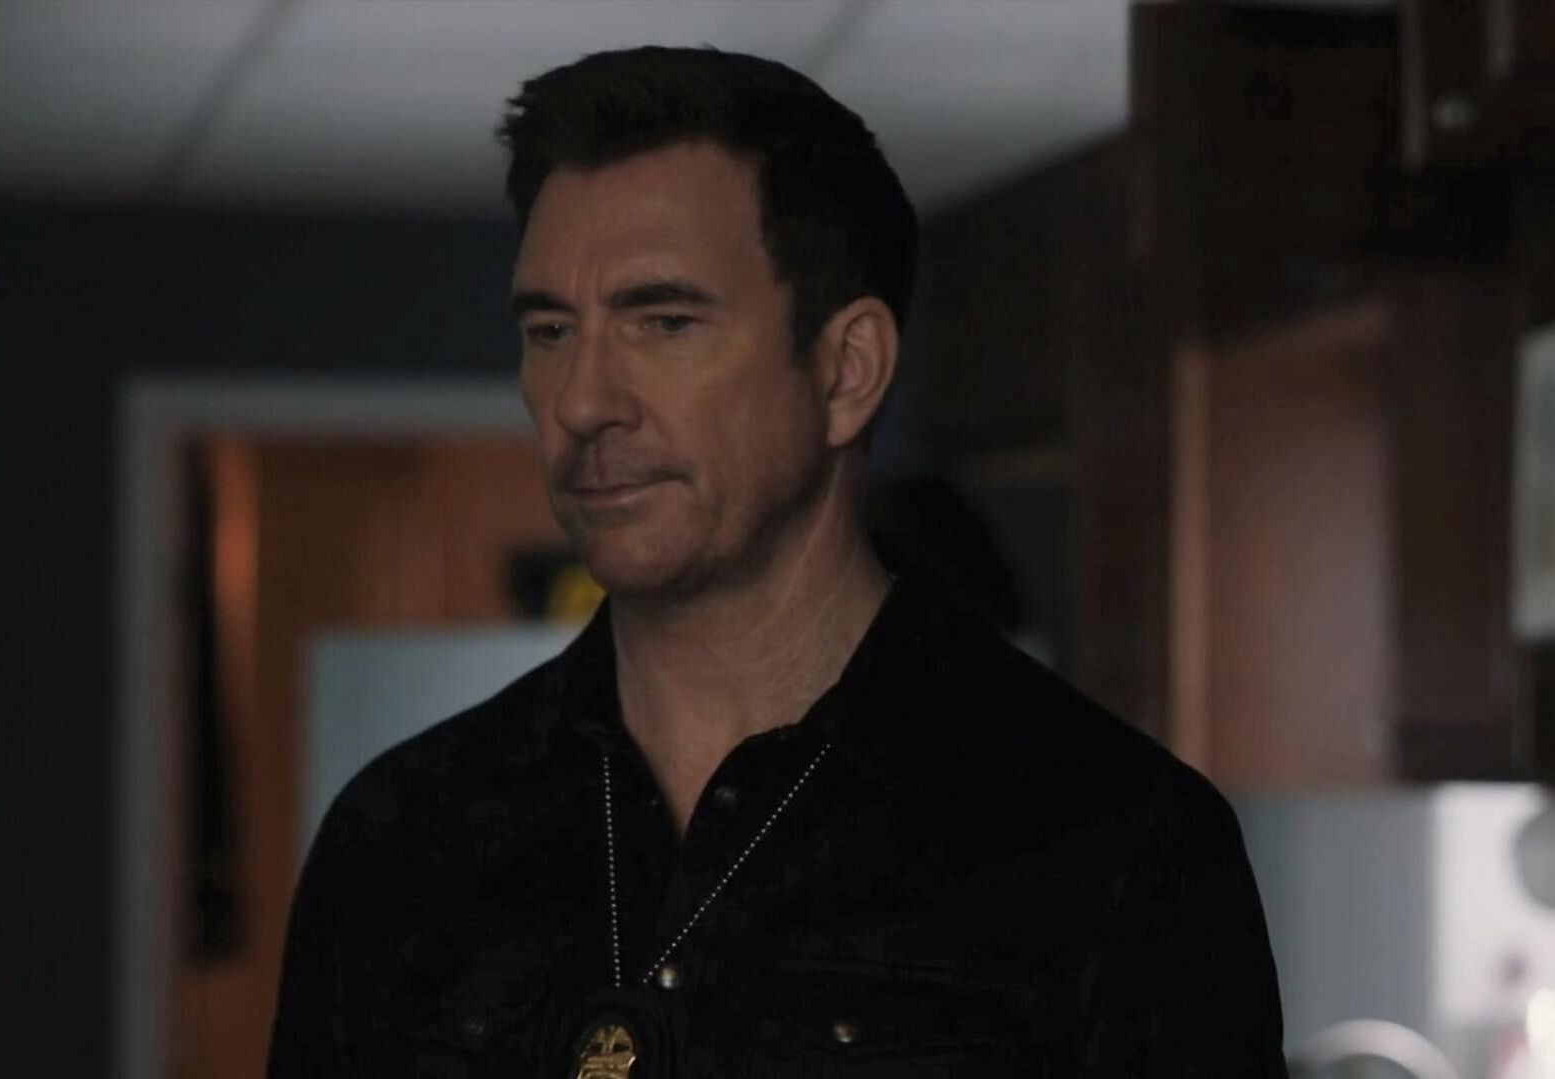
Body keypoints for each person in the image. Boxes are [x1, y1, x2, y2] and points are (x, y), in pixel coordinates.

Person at [267, 46, 1286, 1077]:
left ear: (846, 372)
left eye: (663, 321)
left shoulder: (1115, 846)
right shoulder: (404, 836)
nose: (580, 402)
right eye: (551, 329)